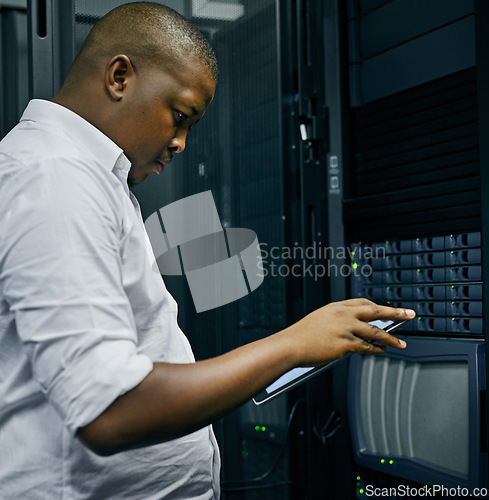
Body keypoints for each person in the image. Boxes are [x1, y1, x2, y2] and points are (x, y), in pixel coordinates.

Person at [0, 2, 414, 499]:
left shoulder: (90, 180)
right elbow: (108, 408)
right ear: (119, 76)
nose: (180, 143)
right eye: (180, 116)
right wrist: (291, 345)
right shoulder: (54, 178)